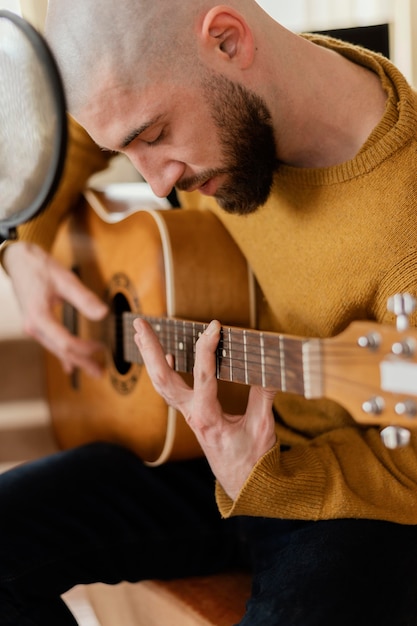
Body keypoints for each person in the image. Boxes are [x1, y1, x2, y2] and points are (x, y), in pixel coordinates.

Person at [2, 0, 417, 623]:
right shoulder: (200, 112)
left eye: (153, 136)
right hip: (202, 447)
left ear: (227, 40)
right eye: (129, 147)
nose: (157, 184)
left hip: (344, 490)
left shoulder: (403, 226)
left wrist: (266, 479)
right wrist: (22, 250)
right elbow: (85, 133)